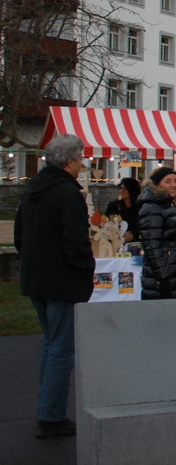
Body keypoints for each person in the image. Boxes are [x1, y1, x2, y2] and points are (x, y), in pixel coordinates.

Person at [14, 134, 94, 438]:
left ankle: (48, 409)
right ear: (70, 161)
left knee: (51, 345)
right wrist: (85, 271)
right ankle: (51, 415)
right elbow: (75, 242)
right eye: (81, 158)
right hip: (61, 280)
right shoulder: (67, 194)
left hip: (37, 278)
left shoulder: (33, 190)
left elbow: (20, 235)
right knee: (61, 349)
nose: (82, 164)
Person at [138, 166, 176, 300]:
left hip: (173, 272)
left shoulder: (165, 205)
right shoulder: (152, 207)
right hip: (162, 276)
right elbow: (151, 245)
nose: (173, 185)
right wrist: (163, 277)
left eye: (175, 181)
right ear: (158, 184)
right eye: (168, 181)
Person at [105, 177, 141, 243]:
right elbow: (107, 224)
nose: (122, 191)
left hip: (135, 243)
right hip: (116, 243)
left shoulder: (140, 207)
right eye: (121, 188)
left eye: (125, 189)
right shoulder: (114, 206)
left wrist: (134, 235)